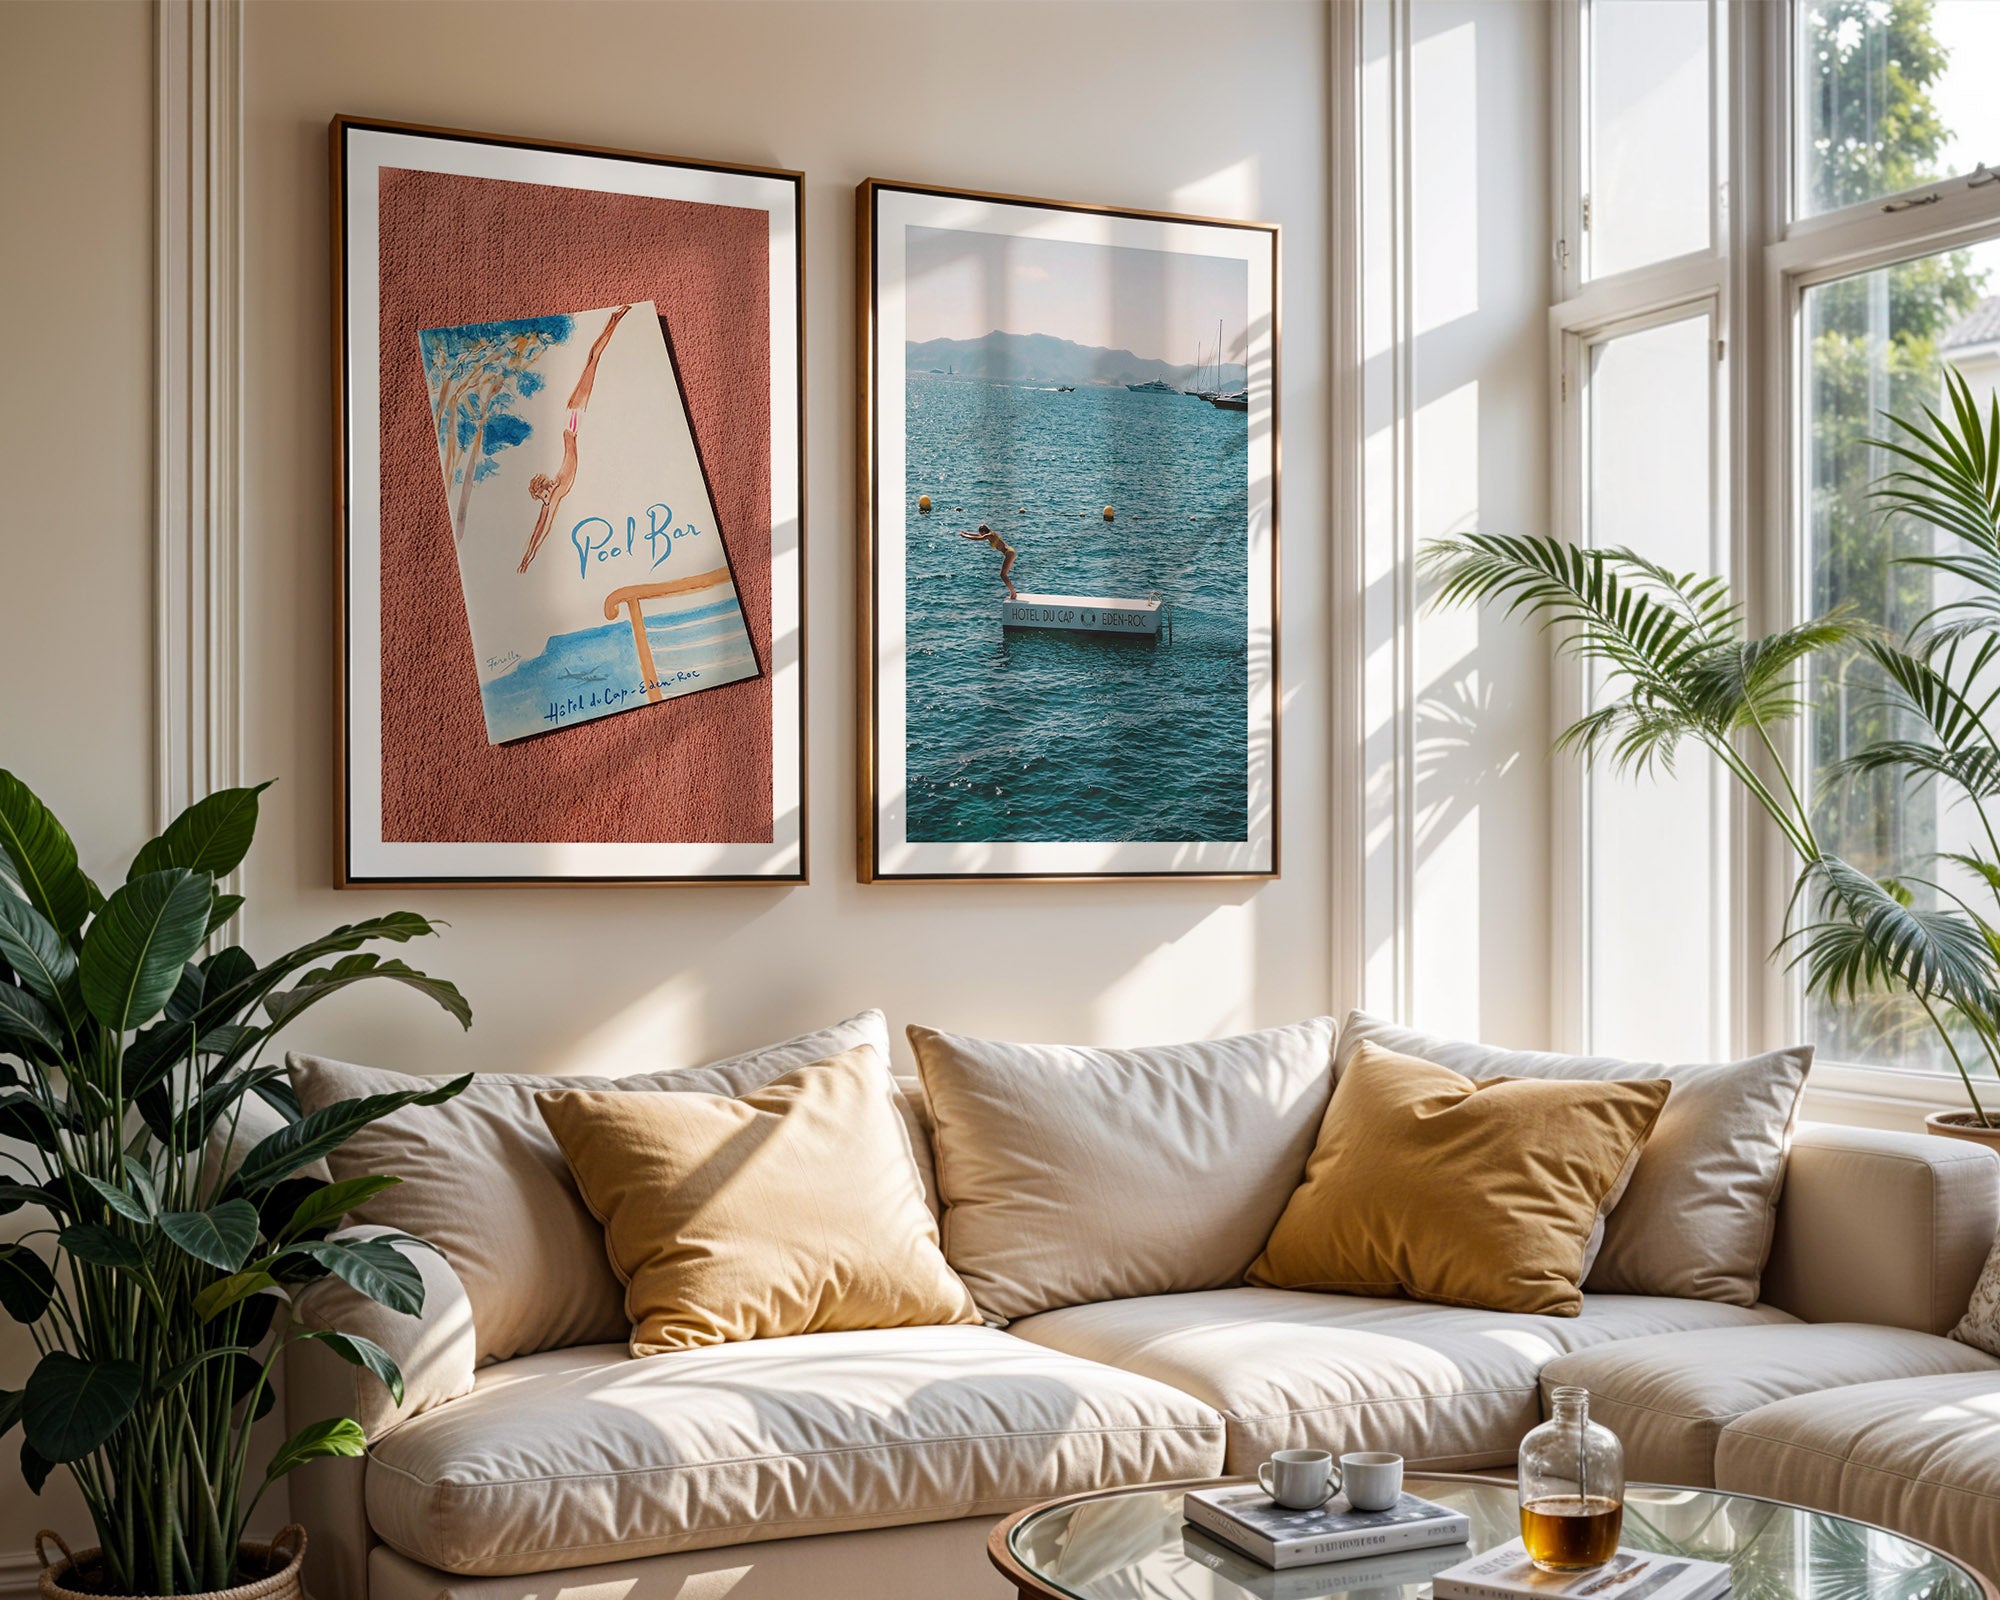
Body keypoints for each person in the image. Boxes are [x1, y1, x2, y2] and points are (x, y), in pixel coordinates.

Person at [959, 523, 1019, 599]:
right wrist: (967, 533)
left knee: (1003, 575)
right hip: (1010, 552)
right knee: (1003, 575)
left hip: (1009, 553)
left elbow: (977, 538)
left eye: (981, 533)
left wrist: (964, 536)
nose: (981, 535)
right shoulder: (991, 534)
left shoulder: (989, 535)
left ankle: (1013, 593)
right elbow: (978, 535)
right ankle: (1013, 593)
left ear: (984, 531)